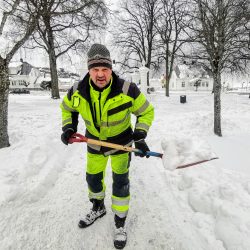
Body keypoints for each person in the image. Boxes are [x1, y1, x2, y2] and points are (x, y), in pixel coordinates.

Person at [60, 43, 154, 249]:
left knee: (121, 183)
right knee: (93, 178)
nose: (100, 74)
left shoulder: (128, 89)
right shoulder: (78, 90)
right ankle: (98, 207)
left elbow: (146, 112)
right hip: (94, 143)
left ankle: (120, 223)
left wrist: (140, 135)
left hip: (121, 146)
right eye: (96, 69)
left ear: (111, 69)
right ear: (89, 70)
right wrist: (69, 127)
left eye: (105, 69)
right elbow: (67, 109)